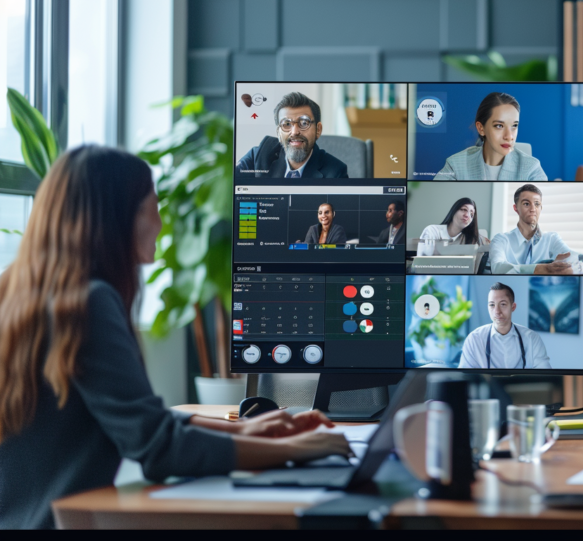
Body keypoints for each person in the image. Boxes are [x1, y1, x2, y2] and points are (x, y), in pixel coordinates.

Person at [0, 146, 352, 529]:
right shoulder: (88, 302)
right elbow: (156, 446)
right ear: (119, 217)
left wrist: (245, 429)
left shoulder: (19, 292)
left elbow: (136, 422)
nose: (161, 224)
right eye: (151, 206)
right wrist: (291, 451)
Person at [433, 92, 547, 181]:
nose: (509, 136)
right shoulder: (456, 165)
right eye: (499, 126)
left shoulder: (532, 168)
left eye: (514, 126)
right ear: (481, 128)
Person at [235, 92, 349, 179]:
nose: (294, 132)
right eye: (287, 124)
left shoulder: (335, 172)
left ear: (318, 130)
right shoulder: (257, 156)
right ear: (279, 133)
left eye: (304, 123)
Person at [489, 184, 578, 275]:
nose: (533, 209)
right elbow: (497, 268)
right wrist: (541, 269)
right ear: (516, 208)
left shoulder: (552, 239)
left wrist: (567, 263)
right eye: (526, 204)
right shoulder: (501, 240)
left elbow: (574, 258)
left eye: (537, 204)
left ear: (541, 208)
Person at [458, 283, 552, 369]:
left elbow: (545, 373)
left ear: (513, 307)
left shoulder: (532, 338)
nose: (497, 311)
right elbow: (465, 376)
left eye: (503, 304)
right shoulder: (474, 339)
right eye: (492, 305)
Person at [416, 197, 489, 256]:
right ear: (454, 211)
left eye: (471, 214)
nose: (467, 215)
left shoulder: (473, 239)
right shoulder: (432, 231)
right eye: (464, 209)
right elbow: (423, 263)